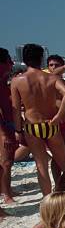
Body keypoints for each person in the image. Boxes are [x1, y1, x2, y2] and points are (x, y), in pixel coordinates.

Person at [10, 44, 65, 195]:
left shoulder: (18, 81)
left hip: (32, 126)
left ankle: (47, 201)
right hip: (51, 124)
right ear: (41, 59)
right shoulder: (51, 78)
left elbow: (16, 109)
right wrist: (58, 116)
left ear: (24, 59)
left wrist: (18, 130)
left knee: (41, 166)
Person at [0, 48, 17, 212]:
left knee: (8, 162)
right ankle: (6, 194)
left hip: (8, 124)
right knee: (5, 162)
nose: (11, 64)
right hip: (3, 126)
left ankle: (8, 190)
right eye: (8, 61)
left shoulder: (3, 81)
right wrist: (4, 133)